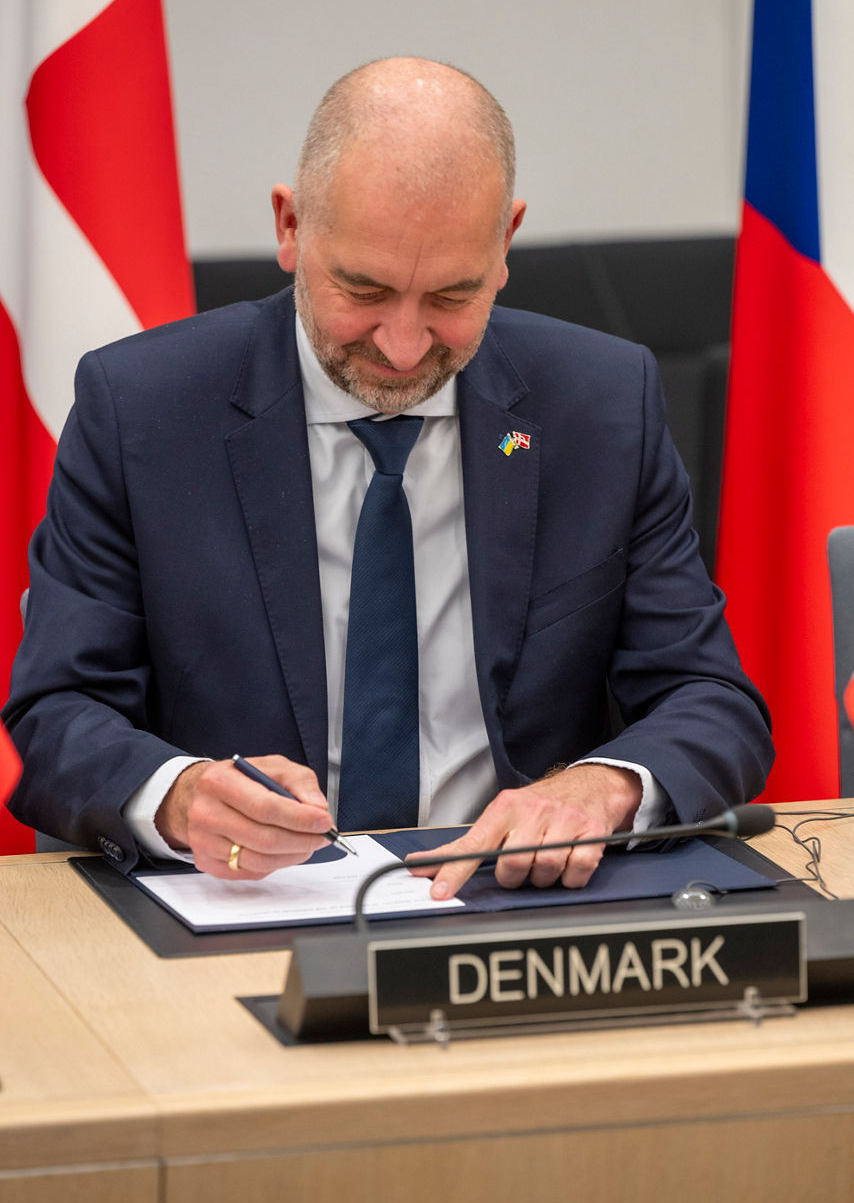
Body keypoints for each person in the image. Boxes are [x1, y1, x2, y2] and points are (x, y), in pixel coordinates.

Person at [3, 58, 773, 899]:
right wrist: (180, 795)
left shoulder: (600, 405)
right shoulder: (143, 409)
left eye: (452, 296)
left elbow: (711, 698)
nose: (404, 346)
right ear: (290, 226)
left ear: (506, 244)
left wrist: (603, 786)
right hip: (247, 899)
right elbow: (56, 713)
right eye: (363, 289)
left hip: (512, 900)